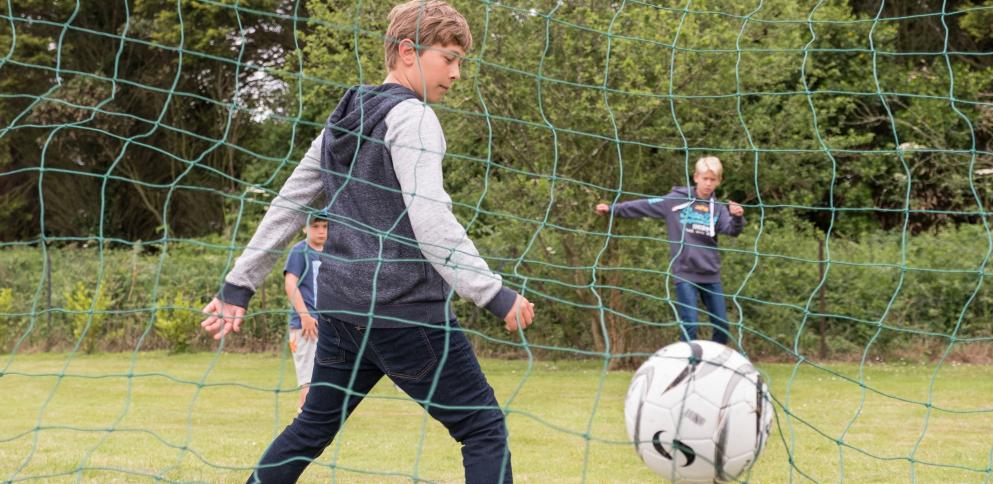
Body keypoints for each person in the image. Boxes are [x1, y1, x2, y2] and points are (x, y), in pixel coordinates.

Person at [198, 1, 535, 482]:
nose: (458, 73)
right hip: (406, 315)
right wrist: (492, 292)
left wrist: (238, 285)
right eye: (449, 57)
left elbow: (287, 205)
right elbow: (431, 220)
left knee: (311, 428)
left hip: (342, 314)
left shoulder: (343, 117)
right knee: (483, 430)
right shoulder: (413, 117)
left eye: (462, 61)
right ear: (406, 51)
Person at [595, 156, 744, 345]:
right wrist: (612, 209)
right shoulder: (674, 201)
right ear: (696, 177)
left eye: (712, 180)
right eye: (705, 178)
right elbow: (643, 205)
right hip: (685, 273)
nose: (708, 183)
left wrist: (737, 217)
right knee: (690, 325)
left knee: (722, 326)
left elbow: (732, 230)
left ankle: (713, 365)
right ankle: (688, 367)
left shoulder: (719, 209)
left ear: (719, 181)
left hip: (710, 274)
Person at [283, 214, 328, 412]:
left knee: (326, 378)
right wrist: (305, 316)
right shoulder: (299, 251)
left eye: (325, 226)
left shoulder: (333, 252)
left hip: (329, 323)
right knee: (308, 378)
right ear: (305, 228)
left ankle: (320, 417)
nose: (321, 231)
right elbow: (290, 283)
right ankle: (304, 417)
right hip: (305, 325)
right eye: (315, 226)